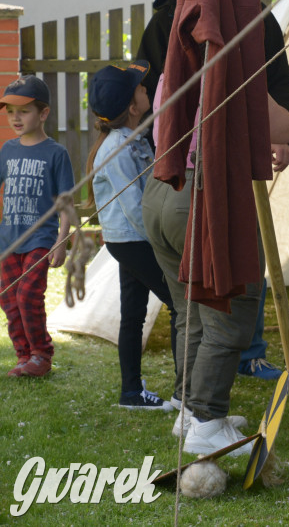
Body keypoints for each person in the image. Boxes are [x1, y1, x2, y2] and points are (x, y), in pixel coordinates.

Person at [141, 0, 289, 457]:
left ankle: (189, 408)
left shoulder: (176, 34)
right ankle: (205, 421)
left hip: (160, 193)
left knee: (192, 310)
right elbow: (279, 121)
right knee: (228, 309)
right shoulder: (228, 39)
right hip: (201, 196)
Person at [85, 61, 178, 409]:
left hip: (132, 241)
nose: (146, 88)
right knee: (180, 304)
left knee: (133, 314)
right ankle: (186, 393)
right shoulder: (117, 148)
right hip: (134, 241)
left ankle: (131, 392)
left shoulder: (132, 139)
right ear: (132, 106)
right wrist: (162, 240)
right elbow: (132, 206)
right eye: (141, 87)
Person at [0, 75, 74, 378]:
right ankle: (23, 356)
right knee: (8, 298)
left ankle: (41, 354)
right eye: (10, 111)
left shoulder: (56, 153)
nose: (15, 118)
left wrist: (62, 240)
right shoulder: (6, 149)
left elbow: (66, 202)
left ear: (43, 113)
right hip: (8, 240)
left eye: (24, 110)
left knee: (28, 294)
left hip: (40, 239)